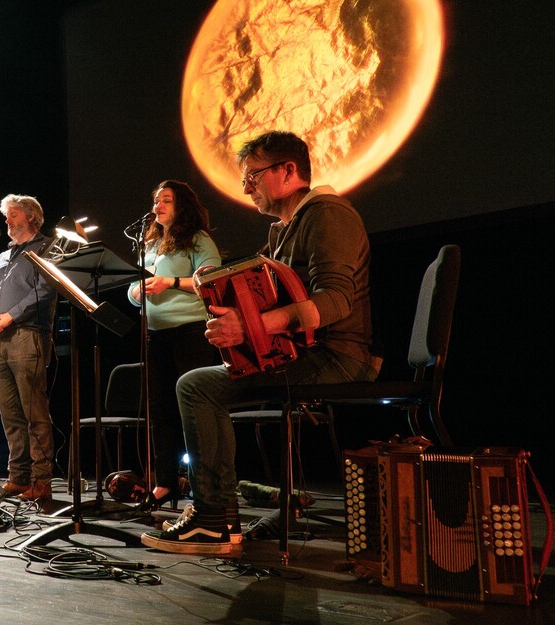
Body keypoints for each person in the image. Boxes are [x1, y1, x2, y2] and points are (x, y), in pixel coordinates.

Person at [141, 131, 380, 555]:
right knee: (197, 383)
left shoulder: (328, 215)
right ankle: (219, 514)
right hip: (305, 353)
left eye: (253, 175)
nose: (245, 186)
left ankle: (215, 517)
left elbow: (336, 301)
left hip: (336, 357)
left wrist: (250, 330)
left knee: (195, 386)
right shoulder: (282, 232)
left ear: (289, 171)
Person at [125, 180, 222, 513]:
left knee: (193, 414)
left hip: (190, 333)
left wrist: (172, 282)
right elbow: (137, 285)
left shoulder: (197, 239)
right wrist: (134, 292)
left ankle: (203, 490)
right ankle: (165, 483)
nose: (158, 206)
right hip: (156, 334)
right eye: (155, 200)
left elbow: (211, 279)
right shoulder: (151, 244)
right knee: (161, 412)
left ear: (182, 205)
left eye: (166, 200)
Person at [0, 194, 59, 502]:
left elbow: (45, 290)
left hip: (28, 334)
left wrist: (11, 315)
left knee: (33, 412)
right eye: (7, 215)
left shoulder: (47, 248)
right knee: (10, 413)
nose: (7, 220)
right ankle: (18, 477)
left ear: (31, 217)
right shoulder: (3, 256)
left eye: (13, 214)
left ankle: (42, 481)